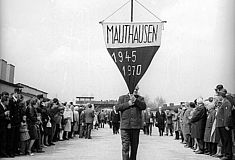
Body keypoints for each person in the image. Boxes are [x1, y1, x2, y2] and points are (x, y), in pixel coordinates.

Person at [116, 86, 146, 160]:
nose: (136, 91)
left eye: (137, 89)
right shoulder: (122, 98)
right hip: (125, 127)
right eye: (134, 89)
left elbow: (143, 106)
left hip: (135, 127)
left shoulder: (140, 99)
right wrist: (128, 104)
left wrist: (135, 100)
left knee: (134, 148)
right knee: (125, 147)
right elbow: (117, 107)